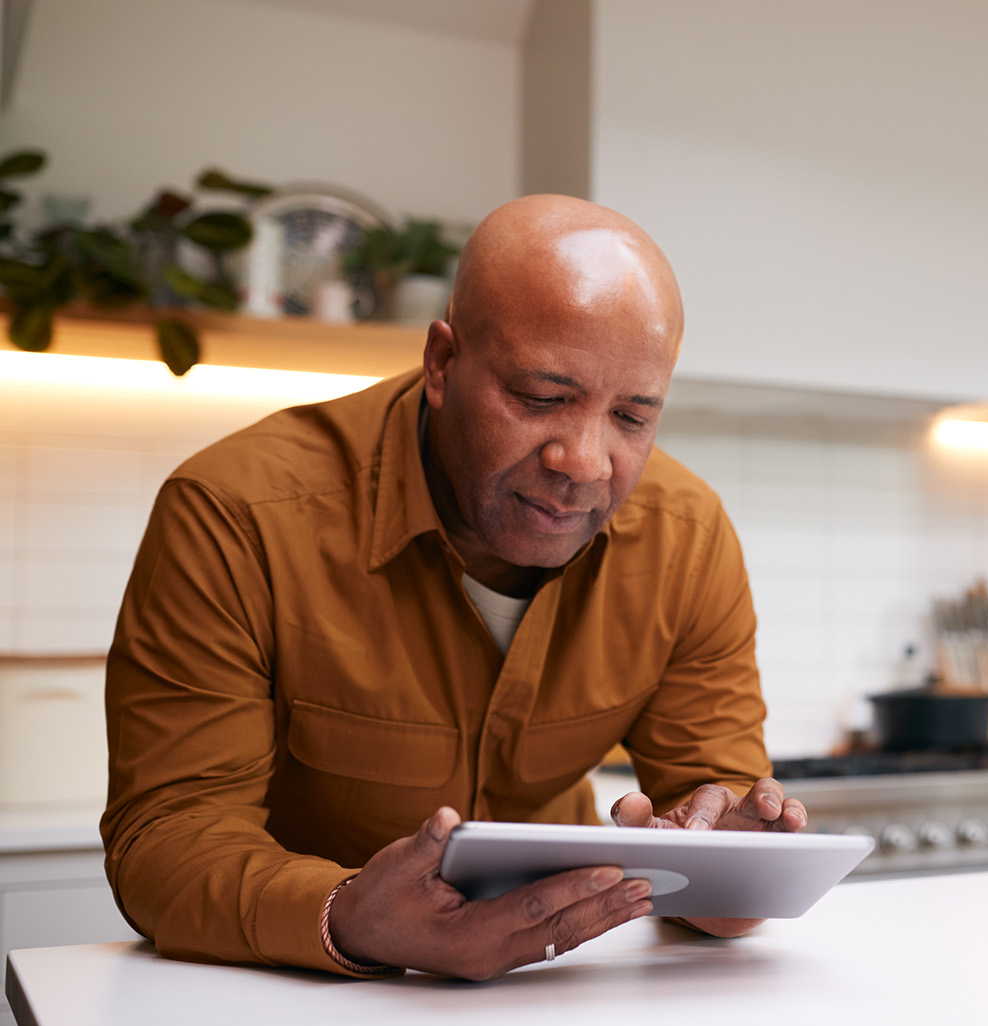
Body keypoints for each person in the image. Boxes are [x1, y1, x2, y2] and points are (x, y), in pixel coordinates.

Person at [101, 195, 806, 981]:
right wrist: (348, 916)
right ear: (441, 364)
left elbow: (713, 808)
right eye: (542, 398)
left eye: (632, 418)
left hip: (551, 993)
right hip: (293, 1003)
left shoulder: (687, 537)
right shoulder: (237, 515)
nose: (586, 461)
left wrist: (738, 867)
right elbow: (167, 838)